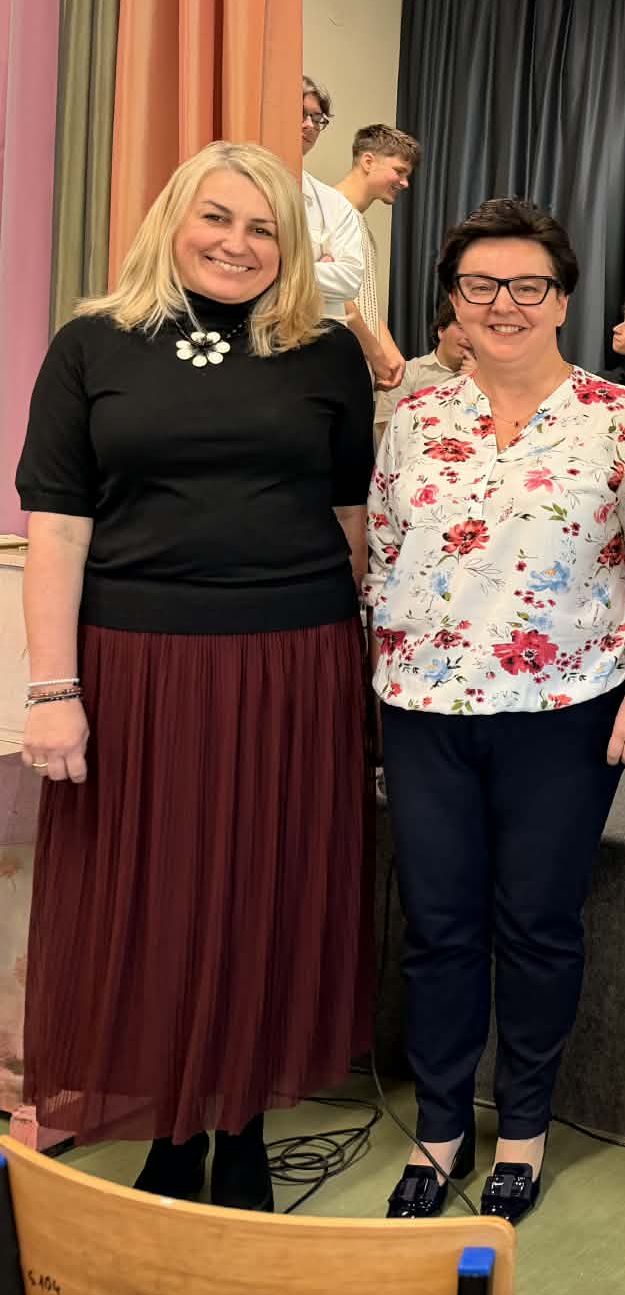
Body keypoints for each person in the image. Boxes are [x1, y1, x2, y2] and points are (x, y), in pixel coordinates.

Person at [14, 139, 374, 1212]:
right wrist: (52, 690)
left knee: (266, 891)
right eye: (217, 217)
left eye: (263, 227)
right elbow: (57, 529)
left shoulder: (326, 353)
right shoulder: (91, 344)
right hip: (136, 668)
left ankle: (243, 1123)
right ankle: (169, 1127)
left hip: (294, 661)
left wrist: (359, 674)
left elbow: (352, 521)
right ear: (172, 219)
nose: (237, 243)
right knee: (150, 897)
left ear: (291, 244)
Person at [364, 197, 625, 1226]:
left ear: (561, 299)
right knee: (439, 927)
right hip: (423, 709)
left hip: (565, 708)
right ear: (453, 301)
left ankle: (524, 1129)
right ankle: (439, 1127)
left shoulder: (619, 418)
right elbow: (382, 558)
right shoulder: (417, 418)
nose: (502, 304)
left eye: (527, 285)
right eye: (480, 285)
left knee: (539, 925)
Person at [330, 123, 421, 391]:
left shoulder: (359, 225)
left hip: (355, 367)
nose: (405, 183)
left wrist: (387, 348)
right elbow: (334, 297)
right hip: (332, 364)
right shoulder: (329, 213)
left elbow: (361, 299)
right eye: (399, 171)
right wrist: (376, 354)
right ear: (368, 161)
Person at [299, 75, 367, 323]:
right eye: (300, 114)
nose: (309, 125)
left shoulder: (333, 203)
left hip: (316, 335)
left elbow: (349, 280)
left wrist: (282, 271)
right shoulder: (242, 186)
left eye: (317, 119)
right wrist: (317, 269)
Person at [373, 294, 473, 448]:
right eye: (462, 328)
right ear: (441, 331)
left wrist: (475, 382)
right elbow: (386, 433)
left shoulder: (489, 380)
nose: (470, 337)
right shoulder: (405, 373)